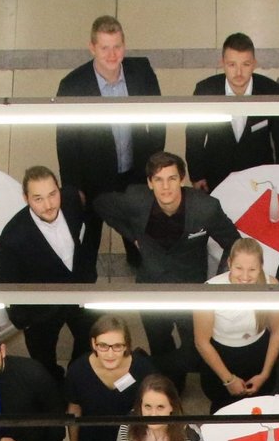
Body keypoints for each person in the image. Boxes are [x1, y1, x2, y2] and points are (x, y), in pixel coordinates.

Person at [96, 152, 242, 381]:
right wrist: (133, 235)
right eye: (159, 180)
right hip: (151, 286)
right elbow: (102, 205)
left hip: (190, 289)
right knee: (159, 341)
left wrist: (222, 278)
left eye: (172, 178)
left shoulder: (206, 208)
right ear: (149, 183)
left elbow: (235, 244)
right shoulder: (135, 200)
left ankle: (141, 364)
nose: (166, 187)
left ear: (182, 179)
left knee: (195, 351)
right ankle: (170, 383)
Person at [0, 166, 103, 372]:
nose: (48, 205)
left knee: (90, 338)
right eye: (38, 198)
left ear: (59, 190)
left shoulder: (71, 200)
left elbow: (86, 231)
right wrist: (24, 322)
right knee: (43, 360)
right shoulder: (12, 239)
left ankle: (75, 374)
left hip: (79, 292)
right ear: (25, 198)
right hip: (42, 310)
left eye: (53, 194)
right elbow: (8, 286)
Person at [54, 14, 164, 209]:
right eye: (105, 48)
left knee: (139, 238)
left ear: (124, 45)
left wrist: (154, 169)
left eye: (117, 47)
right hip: (91, 180)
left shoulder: (142, 71)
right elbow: (66, 143)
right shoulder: (72, 85)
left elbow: (159, 120)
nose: (112, 55)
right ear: (92, 48)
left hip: (137, 176)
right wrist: (73, 188)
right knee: (89, 239)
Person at [187, 33, 279, 191]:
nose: (238, 72)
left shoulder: (271, 90)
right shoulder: (205, 90)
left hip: (260, 178)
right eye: (232, 65)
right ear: (222, 63)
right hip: (215, 176)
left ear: (254, 64)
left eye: (245, 64)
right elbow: (194, 137)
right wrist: (196, 175)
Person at [191, 238, 279, 412]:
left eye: (252, 270)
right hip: (221, 357)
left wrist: (265, 374)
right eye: (239, 268)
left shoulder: (272, 286)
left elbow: (277, 331)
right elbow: (201, 342)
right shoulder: (209, 291)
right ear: (229, 263)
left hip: (259, 354)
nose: (245, 277)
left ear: (261, 267)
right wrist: (229, 380)